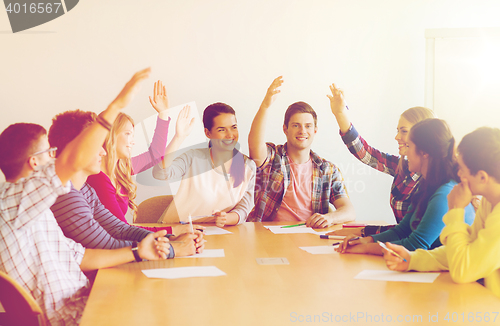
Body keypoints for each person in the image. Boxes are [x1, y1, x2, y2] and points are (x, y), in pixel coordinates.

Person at [0, 69, 174, 325]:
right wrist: (116, 106)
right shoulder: (11, 203)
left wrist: (140, 251)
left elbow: (82, 256)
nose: (55, 157)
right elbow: (71, 159)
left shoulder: (37, 210)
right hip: (72, 317)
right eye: (49, 153)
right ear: (34, 162)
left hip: (85, 300)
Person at [48, 109, 204, 255]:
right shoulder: (68, 196)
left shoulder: (86, 190)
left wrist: (170, 239)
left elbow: (120, 229)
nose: (103, 150)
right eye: (97, 144)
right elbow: (107, 244)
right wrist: (171, 248)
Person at [382, 127, 500, 298]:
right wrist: (412, 259)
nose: (457, 174)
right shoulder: (490, 202)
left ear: (482, 177)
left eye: (462, 170)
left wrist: (456, 210)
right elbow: (463, 250)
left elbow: (463, 270)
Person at [336, 118, 475, 255]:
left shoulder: (445, 194)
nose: (405, 152)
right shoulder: (426, 185)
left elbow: (415, 246)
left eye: (409, 146)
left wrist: (365, 248)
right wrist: (365, 241)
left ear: (425, 152)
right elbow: (402, 231)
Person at [87, 80, 202, 233]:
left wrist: (164, 116)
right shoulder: (99, 179)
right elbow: (121, 230)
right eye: (128, 134)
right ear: (110, 136)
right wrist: (174, 230)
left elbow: (155, 154)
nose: (132, 142)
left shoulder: (121, 169)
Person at [326, 83, 436, 237]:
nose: (397, 137)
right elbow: (365, 153)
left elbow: (415, 235)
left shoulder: (435, 180)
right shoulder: (402, 166)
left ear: (423, 136)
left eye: (404, 131)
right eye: (398, 131)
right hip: (402, 246)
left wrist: (365, 234)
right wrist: (340, 113)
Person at [247, 76, 355, 227]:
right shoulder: (273, 158)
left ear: (315, 130)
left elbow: (349, 211)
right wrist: (265, 106)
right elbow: (254, 145)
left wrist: (331, 218)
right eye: (296, 125)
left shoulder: (328, 170)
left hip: (308, 234)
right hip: (268, 236)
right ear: (285, 129)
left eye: (308, 126)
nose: (302, 131)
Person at [153, 100, 256, 227]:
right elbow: (160, 174)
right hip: (175, 229)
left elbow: (244, 208)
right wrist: (179, 137)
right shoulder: (193, 157)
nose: (230, 135)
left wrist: (227, 218)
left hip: (216, 232)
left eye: (233, 127)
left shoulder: (248, 166)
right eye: (222, 130)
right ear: (208, 133)